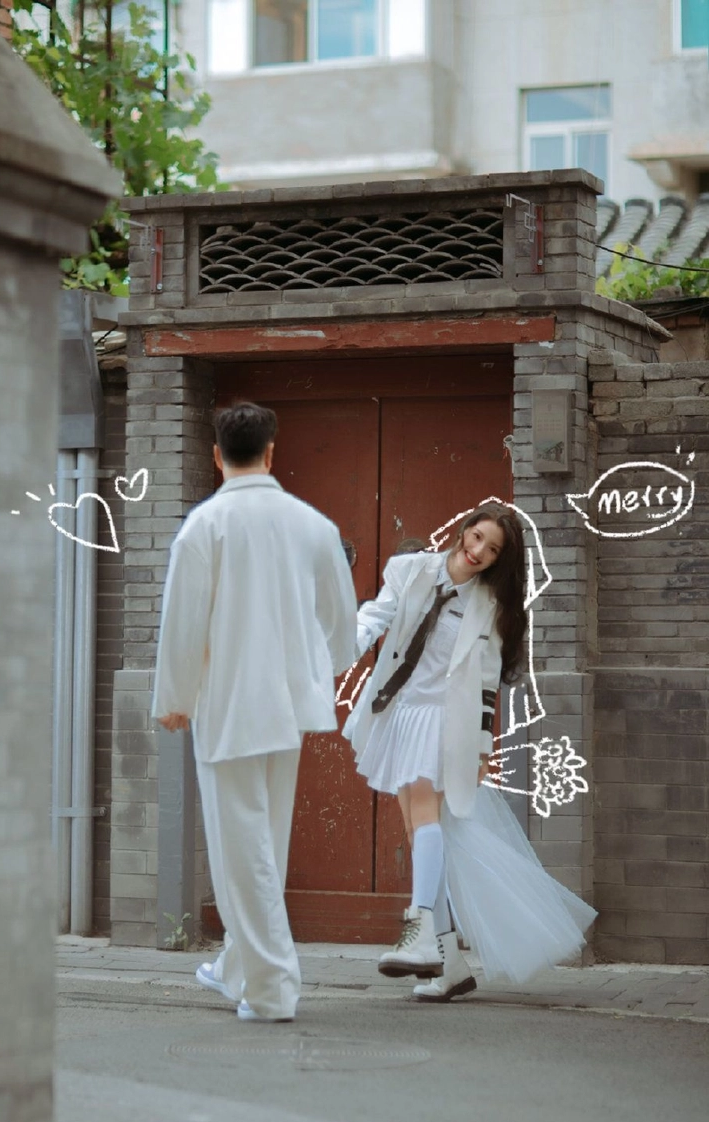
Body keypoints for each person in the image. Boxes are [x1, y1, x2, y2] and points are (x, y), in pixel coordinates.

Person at [153, 402, 357, 1023]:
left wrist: (175, 697)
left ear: (216, 456)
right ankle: (238, 968)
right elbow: (341, 622)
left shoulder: (205, 525)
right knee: (264, 840)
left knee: (241, 847)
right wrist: (316, 669)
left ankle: (270, 987)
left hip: (229, 701)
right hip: (288, 704)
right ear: (272, 451)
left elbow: (183, 620)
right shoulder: (312, 524)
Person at [342, 502, 596, 1000]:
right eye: (477, 537)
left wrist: (482, 749)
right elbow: (376, 616)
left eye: (492, 549)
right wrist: (339, 647)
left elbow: (486, 686)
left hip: (444, 720)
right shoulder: (411, 570)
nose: (478, 551)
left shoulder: (490, 606)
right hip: (401, 711)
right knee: (419, 830)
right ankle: (450, 964)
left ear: (499, 559)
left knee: (424, 814)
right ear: (464, 529)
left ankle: (420, 931)